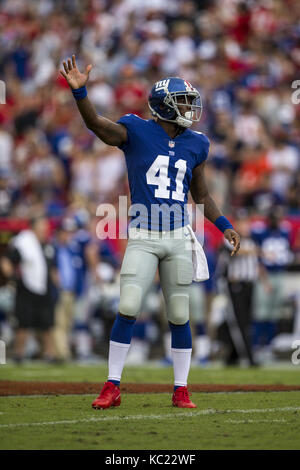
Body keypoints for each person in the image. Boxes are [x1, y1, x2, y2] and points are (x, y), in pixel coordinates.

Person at [60, 55, 240, 409]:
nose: (190, 108)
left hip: (177, 236)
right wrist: (81, 94)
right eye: (183, 102)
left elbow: (200, 195)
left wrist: (226, 225)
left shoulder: (197, 143)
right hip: (143, 234)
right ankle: (112, 385)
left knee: (179, 313)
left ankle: (181, 388)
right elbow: (97, 124)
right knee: (127, 305)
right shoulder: (136, 130)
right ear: (163, 106)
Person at [0, 216, 57, 362]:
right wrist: (13, 278)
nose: (45, 228)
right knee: (23, 323)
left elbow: (50, 267)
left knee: (47, 323)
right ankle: (19, 354)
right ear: (34, 227)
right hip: (26, 287)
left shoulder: (45, 244)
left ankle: (49, 354)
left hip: (43, 288)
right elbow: (7, 260)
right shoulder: (24, 242)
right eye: (42, 225)